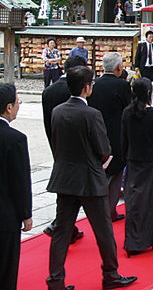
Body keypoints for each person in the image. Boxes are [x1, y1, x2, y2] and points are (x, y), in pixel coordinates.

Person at [46, 66, 137, 290]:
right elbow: (103, 148)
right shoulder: (91, 114)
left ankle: (55, 280)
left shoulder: (57, 111)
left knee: (62, 232)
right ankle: (111, 274)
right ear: (87, 88)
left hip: (65, 177)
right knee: (103, 230)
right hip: (89, 177)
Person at [120, 78, 153, 256]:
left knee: (135, 203)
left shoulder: (127, 113)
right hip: (151, 163)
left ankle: (136, 239)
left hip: (133, 161)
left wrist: (125, 158)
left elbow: (123, 140)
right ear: (149, 94)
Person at [41, 54, 87, 243]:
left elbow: (46, 121)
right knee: (76, 191)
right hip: (78, 147)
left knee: (66, 189)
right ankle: (60, 224)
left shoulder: (49, 91)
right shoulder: (74, 90)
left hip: (57, 143)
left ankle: (66, 227)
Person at [87, 52, 132, 222]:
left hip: (96, 134)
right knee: (116, 175)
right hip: (116, 136)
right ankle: (110, 211)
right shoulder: (122, 86)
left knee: (100, 174)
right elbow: (129, 110)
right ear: (119, 68)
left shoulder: (94, 85)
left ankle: (98, 210)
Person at [0, 84, 32, 290]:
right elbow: (20, 181)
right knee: (6, 269)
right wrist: (26, 214)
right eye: (18, 103)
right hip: (6, 215)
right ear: (9, 107)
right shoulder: (15, 139)